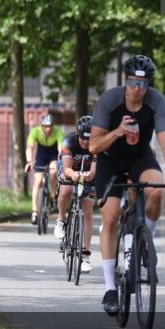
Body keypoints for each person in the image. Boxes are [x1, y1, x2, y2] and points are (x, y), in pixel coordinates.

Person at [90, 55, 165, 315]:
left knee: (156, 188)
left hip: (140, 157)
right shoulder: (109, 100)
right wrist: (118, 132)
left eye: (144, 84)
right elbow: (94, 146)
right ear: (125, 81)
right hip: (110, 160)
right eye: (133, 83)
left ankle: (145, 241)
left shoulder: (157, 102)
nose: (138, 89)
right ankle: (110, 288)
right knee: (109, 219)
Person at [54, 116, 97, 273]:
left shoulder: (97, 144)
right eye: (83, 139)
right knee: (65, 189)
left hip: (87, 173)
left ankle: (85, 256)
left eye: (89, 139)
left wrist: (89, 176)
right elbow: (66, 169)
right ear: (77, 134)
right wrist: (73, 175)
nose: (86, 143)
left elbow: (93, 171)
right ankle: (61, 219)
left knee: (88, 208)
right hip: (70, 169)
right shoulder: (68, 141)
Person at [25, 114, 65, 225]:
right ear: (41, 126)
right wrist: (29, 162)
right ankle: (34, 212)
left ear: (53, 126)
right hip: (41, 155)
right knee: (37, 181)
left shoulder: (58, 132)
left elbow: (60, 148)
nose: (48, 129)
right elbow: (30, 148)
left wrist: (61, 162)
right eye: (45, 126)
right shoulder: (35, 131)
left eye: (50, 126)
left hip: (53, 154)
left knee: (53, 172)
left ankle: (53, 197)